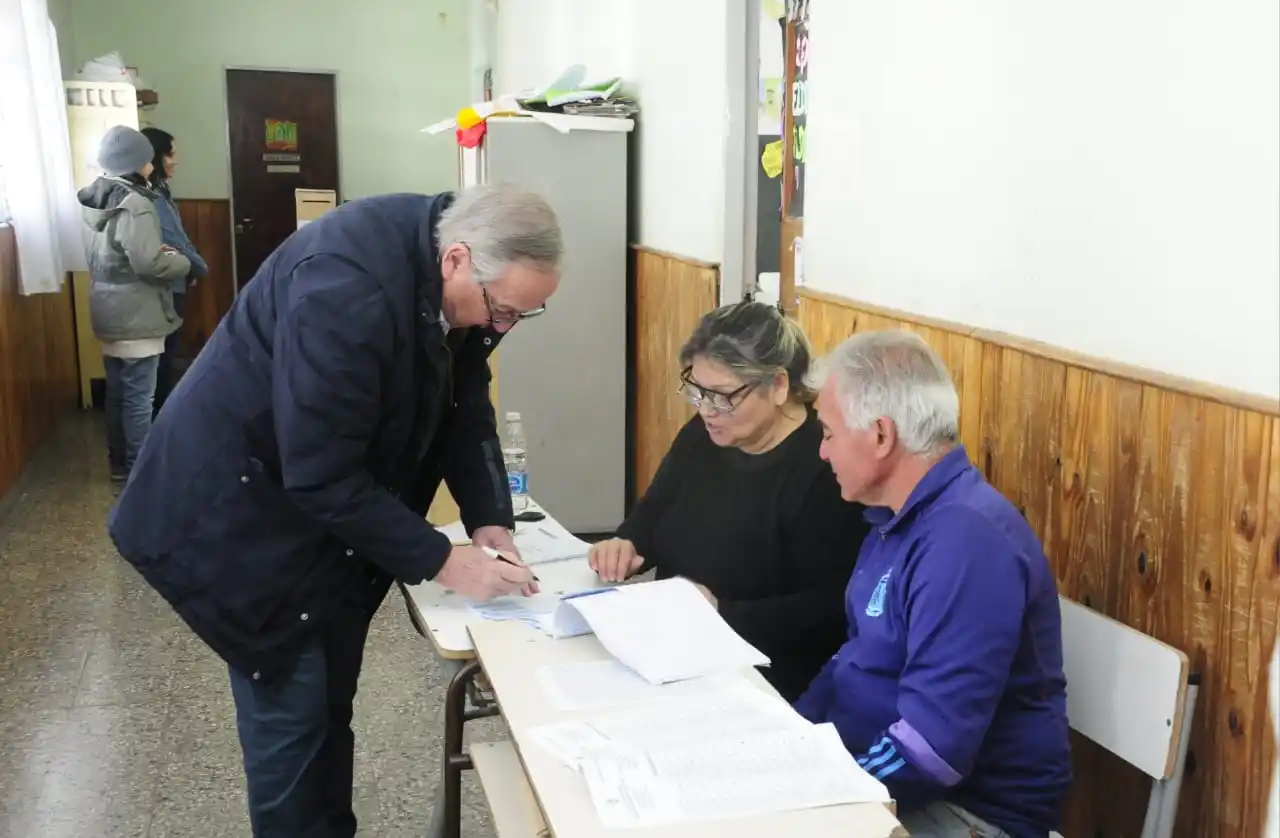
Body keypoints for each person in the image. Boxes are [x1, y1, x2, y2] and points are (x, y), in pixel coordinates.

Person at [107, 183, 563, 837]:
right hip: (237, 517)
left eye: (524, 314)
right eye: (503, 309)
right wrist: (444, 559)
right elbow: (320, 474)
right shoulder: (345, 290)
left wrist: (490, 518)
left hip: (320, 518)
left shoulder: (450, 264)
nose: (502, 327)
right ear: (457, 260)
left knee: (326, 709)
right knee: (294, 716)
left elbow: (465, 403)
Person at [795, 330, 1071, 838]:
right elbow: (852, 660)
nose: (822, 452)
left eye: (829, 433)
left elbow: (933, 750)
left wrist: (819, 800)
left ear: (881, 435)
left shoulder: (965, 541)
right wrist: (789, 738)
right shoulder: (896, 519)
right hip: (884, 783)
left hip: (966, 813)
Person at [589, 301, 870, 702]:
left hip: (762, 676)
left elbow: (831, 608)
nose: (706, 410)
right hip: (673, 648)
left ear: (778, 386)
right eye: (697, 391)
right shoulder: (702, 436)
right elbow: (653, 514)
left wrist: (720, 610)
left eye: (722, 396)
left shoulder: (822, 466)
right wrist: (626, 543)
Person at [78, 124, 190, 483]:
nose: (152, 165)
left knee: (116, 393)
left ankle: (119, 465)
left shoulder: (95, 198)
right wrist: (181, 263)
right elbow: (148, 263)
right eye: (147, 159)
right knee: (140, 397)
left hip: (106, 306)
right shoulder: (137, 203)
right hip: (137, 312)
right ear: (137, 163)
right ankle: (141, 472)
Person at [142, 127, 208, 413]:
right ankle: (161, 423)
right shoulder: (153, 196)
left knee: (165, 358)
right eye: (170, 154)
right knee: (164, 359)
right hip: (166, 285)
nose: (175, 161)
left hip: (173, 279)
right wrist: (198, 267)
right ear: (155, 157)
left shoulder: (160, 191)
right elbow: (174, 240)